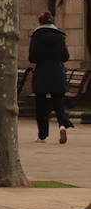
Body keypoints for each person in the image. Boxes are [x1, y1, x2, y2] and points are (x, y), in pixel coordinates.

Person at [30, 11, 74, 144]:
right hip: (57, 73)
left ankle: (42, 135)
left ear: (40, 22)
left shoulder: (36, 36)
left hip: (42, 73)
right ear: (52, 22)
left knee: (41, 105)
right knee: (58, 103)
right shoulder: (60, 37)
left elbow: (32, 58)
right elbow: (65, 57)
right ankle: (62, 126)